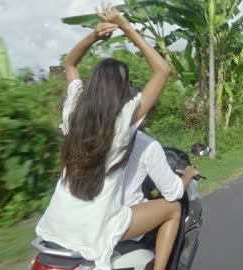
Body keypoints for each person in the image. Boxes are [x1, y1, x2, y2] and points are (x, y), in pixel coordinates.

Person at [35, 4, 182, 270]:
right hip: (95, 230)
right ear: (122, 91)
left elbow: (70, 63)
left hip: (55, 227)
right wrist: (126, 27)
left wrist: (93, 37)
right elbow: (162, 70)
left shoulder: (74, 113)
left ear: (93, 85)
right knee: (173, 209)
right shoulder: (123, 122)